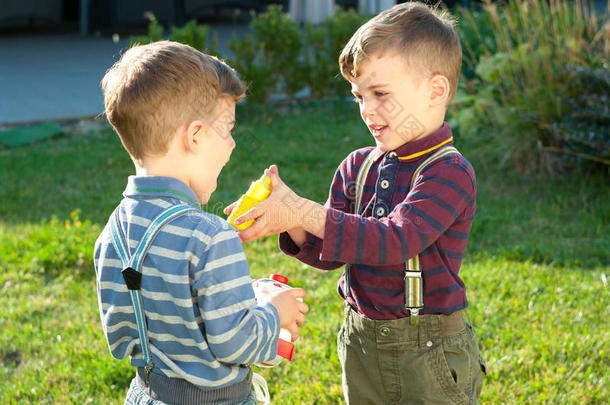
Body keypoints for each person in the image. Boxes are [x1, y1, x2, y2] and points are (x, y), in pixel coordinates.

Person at [225, 2, 486, 404]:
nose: (366, 109)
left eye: (381, 94)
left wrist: (303, 210)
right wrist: (291, 222)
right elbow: (332, 253)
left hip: (428, 352)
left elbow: (395, 240)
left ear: (436, 91)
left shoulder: (448, 172)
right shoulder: (357, 167)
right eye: (358, 96)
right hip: (360, 341)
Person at [94, 40, 308, 405]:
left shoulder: (112, 231)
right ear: (195, 136)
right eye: (227, 129)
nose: (232, 145)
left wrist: (237, 298)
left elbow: (120, 336)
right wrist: (274, 312)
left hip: (145, 394)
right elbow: (235, 343)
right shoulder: (210, 237)